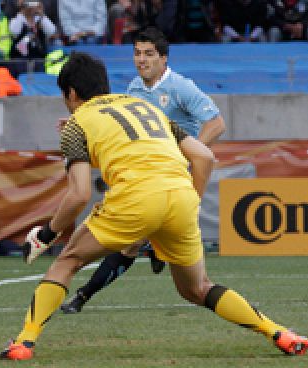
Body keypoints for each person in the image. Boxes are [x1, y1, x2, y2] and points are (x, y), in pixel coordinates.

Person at [0, 52, 308, 361]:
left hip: (134, 200)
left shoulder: (75, 124)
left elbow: (79, 194)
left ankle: (24, 342)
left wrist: (47, 234)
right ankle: (278, 332)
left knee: (66, 263)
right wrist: (189, 202)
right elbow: (204, 157)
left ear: (72, 93)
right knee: (198, 288)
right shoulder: (145, 107)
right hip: (180, 197)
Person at [61, 27, 226, 314]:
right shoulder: (133, 90)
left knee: (136, 244)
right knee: (130, 244)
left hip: (173, 175)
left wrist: (186, 152)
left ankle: (84, 294)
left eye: (149, 54)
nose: (142, 60)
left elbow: (216, 124)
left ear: (163, 58)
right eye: (137, 53)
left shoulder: (180, 87)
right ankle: (84, 295)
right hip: (146, 174)